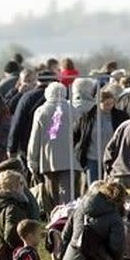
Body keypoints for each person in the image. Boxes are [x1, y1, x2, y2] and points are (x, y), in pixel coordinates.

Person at [27, 82, 81, 214]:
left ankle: (53, 220)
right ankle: (68, 220)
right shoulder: (73, 110)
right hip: (70, 158)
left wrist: (32, 159)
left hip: (48, 159)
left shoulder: (41, 111)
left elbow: (35, 138)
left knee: (52, 193)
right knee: (68, 194)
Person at [74, 89, 129, 185]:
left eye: (112, 103)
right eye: (107, 104)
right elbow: (76, 134)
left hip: (113, 158)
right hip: (92, 157)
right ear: (98, 103)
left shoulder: (120, 116)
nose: (110, 107)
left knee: (111, 186)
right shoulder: (87, 117)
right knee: (94, 186)